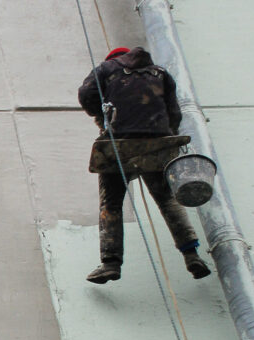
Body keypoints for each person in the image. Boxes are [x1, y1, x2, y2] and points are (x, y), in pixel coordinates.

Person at [78, 46, 211, 284]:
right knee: (167, 199)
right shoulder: (161, 73)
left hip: (120, 142)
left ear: (114, 59)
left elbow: (86, 94)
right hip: (157, 142)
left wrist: (102, 117)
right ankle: (192, 255)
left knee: (111, 203)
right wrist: (167, 135)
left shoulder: (106, 69)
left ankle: (110, 264)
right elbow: (174, 112)